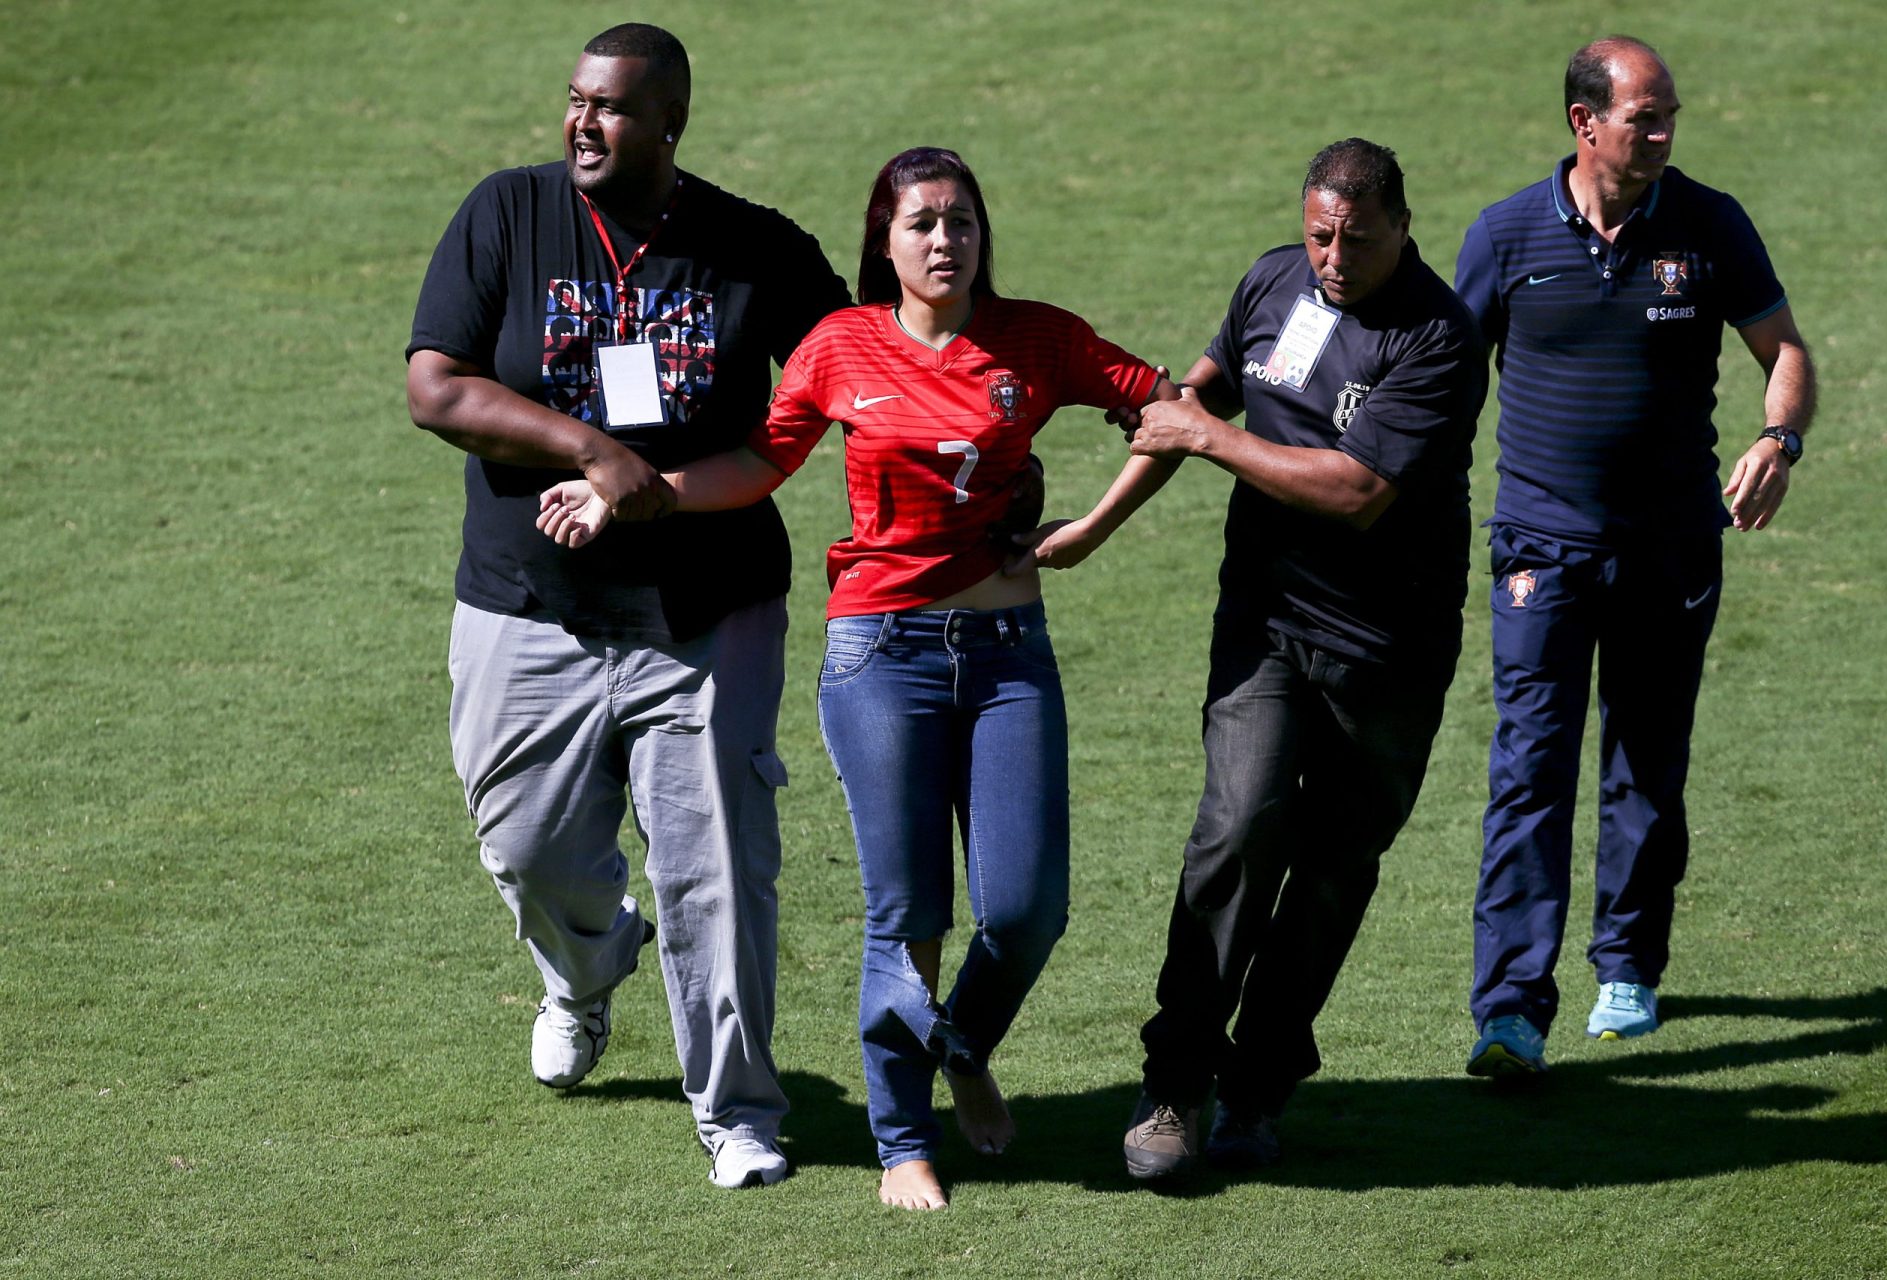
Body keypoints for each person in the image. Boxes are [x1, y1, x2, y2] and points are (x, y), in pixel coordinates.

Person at [537, 146, 1180, 1209]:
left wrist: (1089, 531)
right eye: (922, 222)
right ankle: (900, 1137)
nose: (944, 240)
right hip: (881, 655)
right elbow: (760, 461)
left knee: (1026, 909)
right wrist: (632, 493)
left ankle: (959, 1041)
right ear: (885, 241)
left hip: (1012, 656)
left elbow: (1165, 410)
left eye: (962, 220)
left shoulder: (1039, 338)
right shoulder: (842, 345)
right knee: (908, 909)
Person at [404, 23, 850, 1189]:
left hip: (708, 612)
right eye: (574, 100)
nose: (583, 123)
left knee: (719, 868)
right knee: (526, 844)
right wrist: (591, 448)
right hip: (526, 600)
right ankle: (587, 969)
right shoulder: (507, 214)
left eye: (611, 107)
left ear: (670, 124)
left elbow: (849, 383)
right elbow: (435, 385)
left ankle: (741, 1111)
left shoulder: (758, 250)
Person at [1115, 139, 1488, 1179]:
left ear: (1403, 227)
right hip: (1268, 620)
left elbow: (1356, 492)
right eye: (1320, 232)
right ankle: (1175, 1085)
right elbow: (1201, 391)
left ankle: (1261, 1085)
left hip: (1390, 650)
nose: (1331, 257)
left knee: (1330, 872)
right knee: (1236, 829)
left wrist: (1206, 438)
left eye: (1356, 241)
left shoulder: (1439, 336)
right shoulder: (1276, 279)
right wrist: (1097, 520)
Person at [1455, 37, 1817, 1076]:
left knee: (1645, 763)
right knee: (1528, 767)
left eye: (1668, 117)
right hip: (1539, 551)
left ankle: (1627, 964)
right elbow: (1445, 371)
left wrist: (1776, 438)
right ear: (1584, 123)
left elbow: (1782, 349)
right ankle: (1511, 1007)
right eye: (1642, 119)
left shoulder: (1709, 224)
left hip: (1669, 548)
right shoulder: (1508, 233)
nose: (1661, 135)